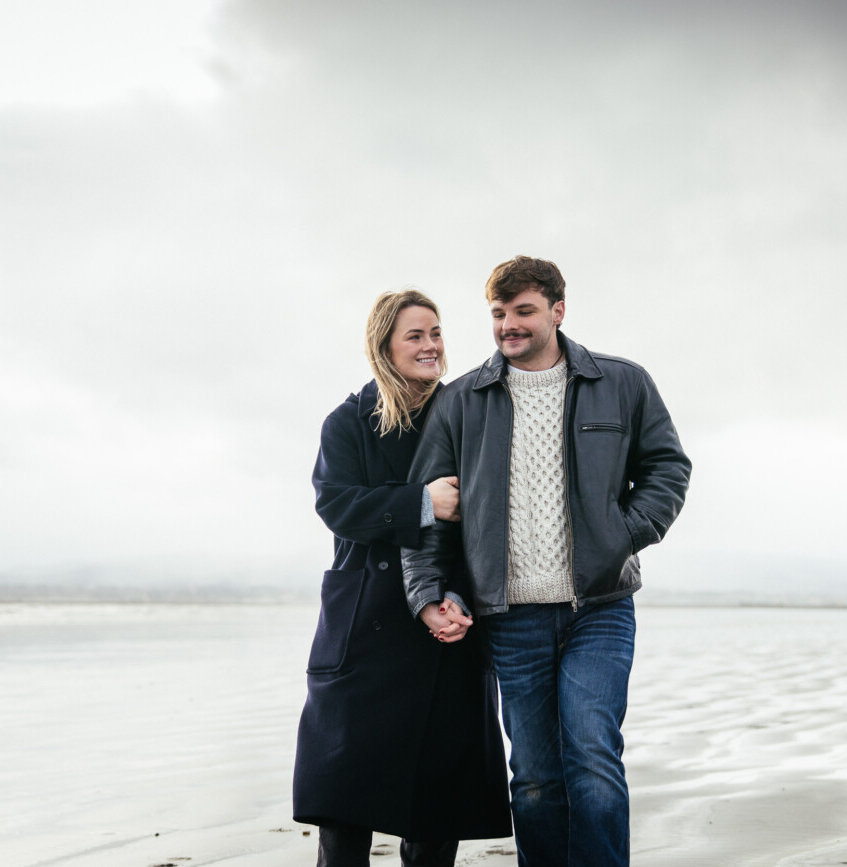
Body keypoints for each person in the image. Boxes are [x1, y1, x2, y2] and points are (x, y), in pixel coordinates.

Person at [400, 257, 692, 866]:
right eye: (498, 313)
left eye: (523, 311)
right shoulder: (461, 401)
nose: (508, 325)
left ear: (558, 311)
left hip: (600, 607)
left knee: (593, 758)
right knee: (533, 777)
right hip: (510, 617)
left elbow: (667, 467)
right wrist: (427, 592)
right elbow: (428, 513)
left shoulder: (623, 382)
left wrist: (623, 535)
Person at [293, 289, 512, 867]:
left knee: (437, 813)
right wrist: (421, 503)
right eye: (415, 335)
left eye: (436, 333)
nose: (430, 345)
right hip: (366, 628)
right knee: (344, 811)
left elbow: (488, 523)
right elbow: (336, 505)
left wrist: (456, 596)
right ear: (383, 346)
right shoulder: (348, 422)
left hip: (449, 625)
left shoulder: (465, 415)